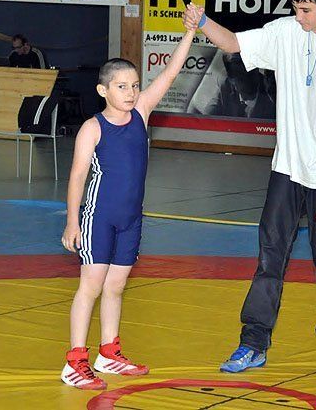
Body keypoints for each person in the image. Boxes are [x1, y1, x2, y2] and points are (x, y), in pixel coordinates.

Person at [183, 0, 316, 380]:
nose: (299, 17)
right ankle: (253, 343)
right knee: (269, 258)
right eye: (296, 8)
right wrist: (202, 21)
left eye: (307, 10)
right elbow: (234, 42)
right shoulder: (286, 31)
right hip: (286, 169)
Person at [59, 22, 197, 390]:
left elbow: (170, 72)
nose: (132, 92)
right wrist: (72, 222)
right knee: (91, 286)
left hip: (131, 219)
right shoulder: (93, 128)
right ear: (103, 90)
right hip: (99, 218)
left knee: (116, 286)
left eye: (135, 85)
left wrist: (190, 32)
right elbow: (77, 177)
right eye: (122, 86)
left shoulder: (142, 112)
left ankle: (108, 353)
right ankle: (74, 362)